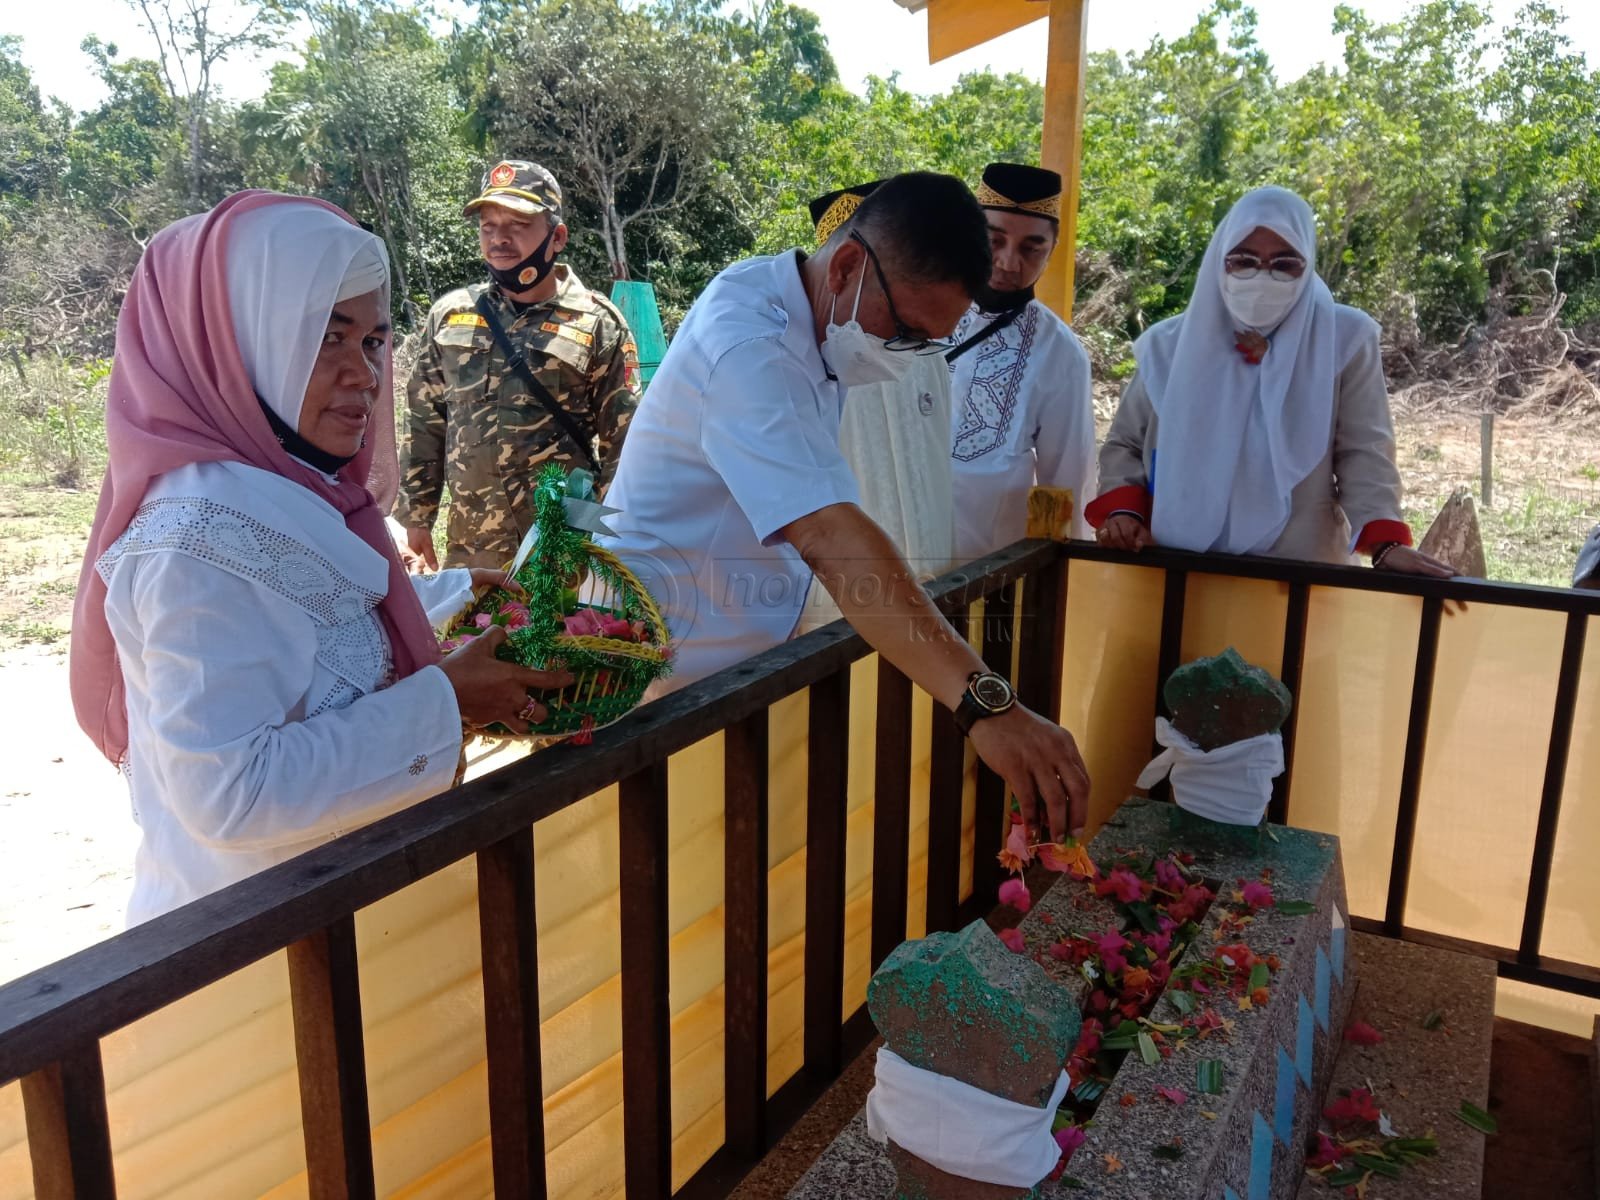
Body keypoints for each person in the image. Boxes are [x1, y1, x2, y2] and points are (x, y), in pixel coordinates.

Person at [70, 192, 571, 923]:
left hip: (327, 924)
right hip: (255, 954)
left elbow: (316, 616)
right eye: (326, 339)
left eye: (373, 342)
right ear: (234, 344)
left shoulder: (276, 489)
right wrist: (448, 702)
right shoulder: (197, 542)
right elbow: (230, 794)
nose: (365, 375)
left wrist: (454, 592)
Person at [599, 172, 1090, 840]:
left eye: (931, 343)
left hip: (732, 661)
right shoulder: (753, 352)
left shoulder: (794, 299)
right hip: (662, 674)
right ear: (850, 265)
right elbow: (831, 535)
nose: (911, 356)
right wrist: (985, 705)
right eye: (909, 331)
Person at [1086, 185, 1454, 575]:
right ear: (1219, 261)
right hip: (1176, 562)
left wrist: (1384, 543)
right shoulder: (1167, 347)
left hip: (1297, 567)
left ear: (1307, 265)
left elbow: (1364, 450)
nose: (1262, 276)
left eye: (1284, 264)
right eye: (1243, 261)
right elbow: (1125, 443)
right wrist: (1124, 511)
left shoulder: (1342, 339)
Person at [394, 160, 641, 570]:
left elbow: (627, 446)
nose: (499, 239)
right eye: (488, 226)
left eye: (518, 224)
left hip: (562, 559)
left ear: (557, 236)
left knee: (570, 637)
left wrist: (600, 536)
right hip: (470, 558)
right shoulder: (452, 315)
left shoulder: (597, 321)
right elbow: (425, 422)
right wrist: (416, 517)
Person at [796, 181, 955, 634]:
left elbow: (939, 461)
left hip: (931, 572)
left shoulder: (927, 353)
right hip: (844, 594)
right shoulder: (809, 350)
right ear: (843, 267)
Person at [946, 163, 1096, 563]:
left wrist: (1050, 585)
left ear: (1053, 249)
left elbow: (1063, 484)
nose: (1009, 263)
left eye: (1032, 249)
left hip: (982, 579)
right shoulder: (912, 309)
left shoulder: (1060, 355)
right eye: (994, 241)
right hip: (883, 561)